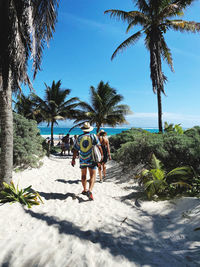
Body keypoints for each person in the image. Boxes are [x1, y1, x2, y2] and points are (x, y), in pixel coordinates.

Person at [71, 122, 103, 200]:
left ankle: (85, 189)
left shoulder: (79, 137)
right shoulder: (93, 136)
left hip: (82, 159)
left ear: (83, 130)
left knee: (83, 175)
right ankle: (90, 190)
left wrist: (73, 159)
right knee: (92, 175)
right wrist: (101, 157)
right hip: (92, 158)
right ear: (89, 129)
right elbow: (99, 147)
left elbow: (75, 149)